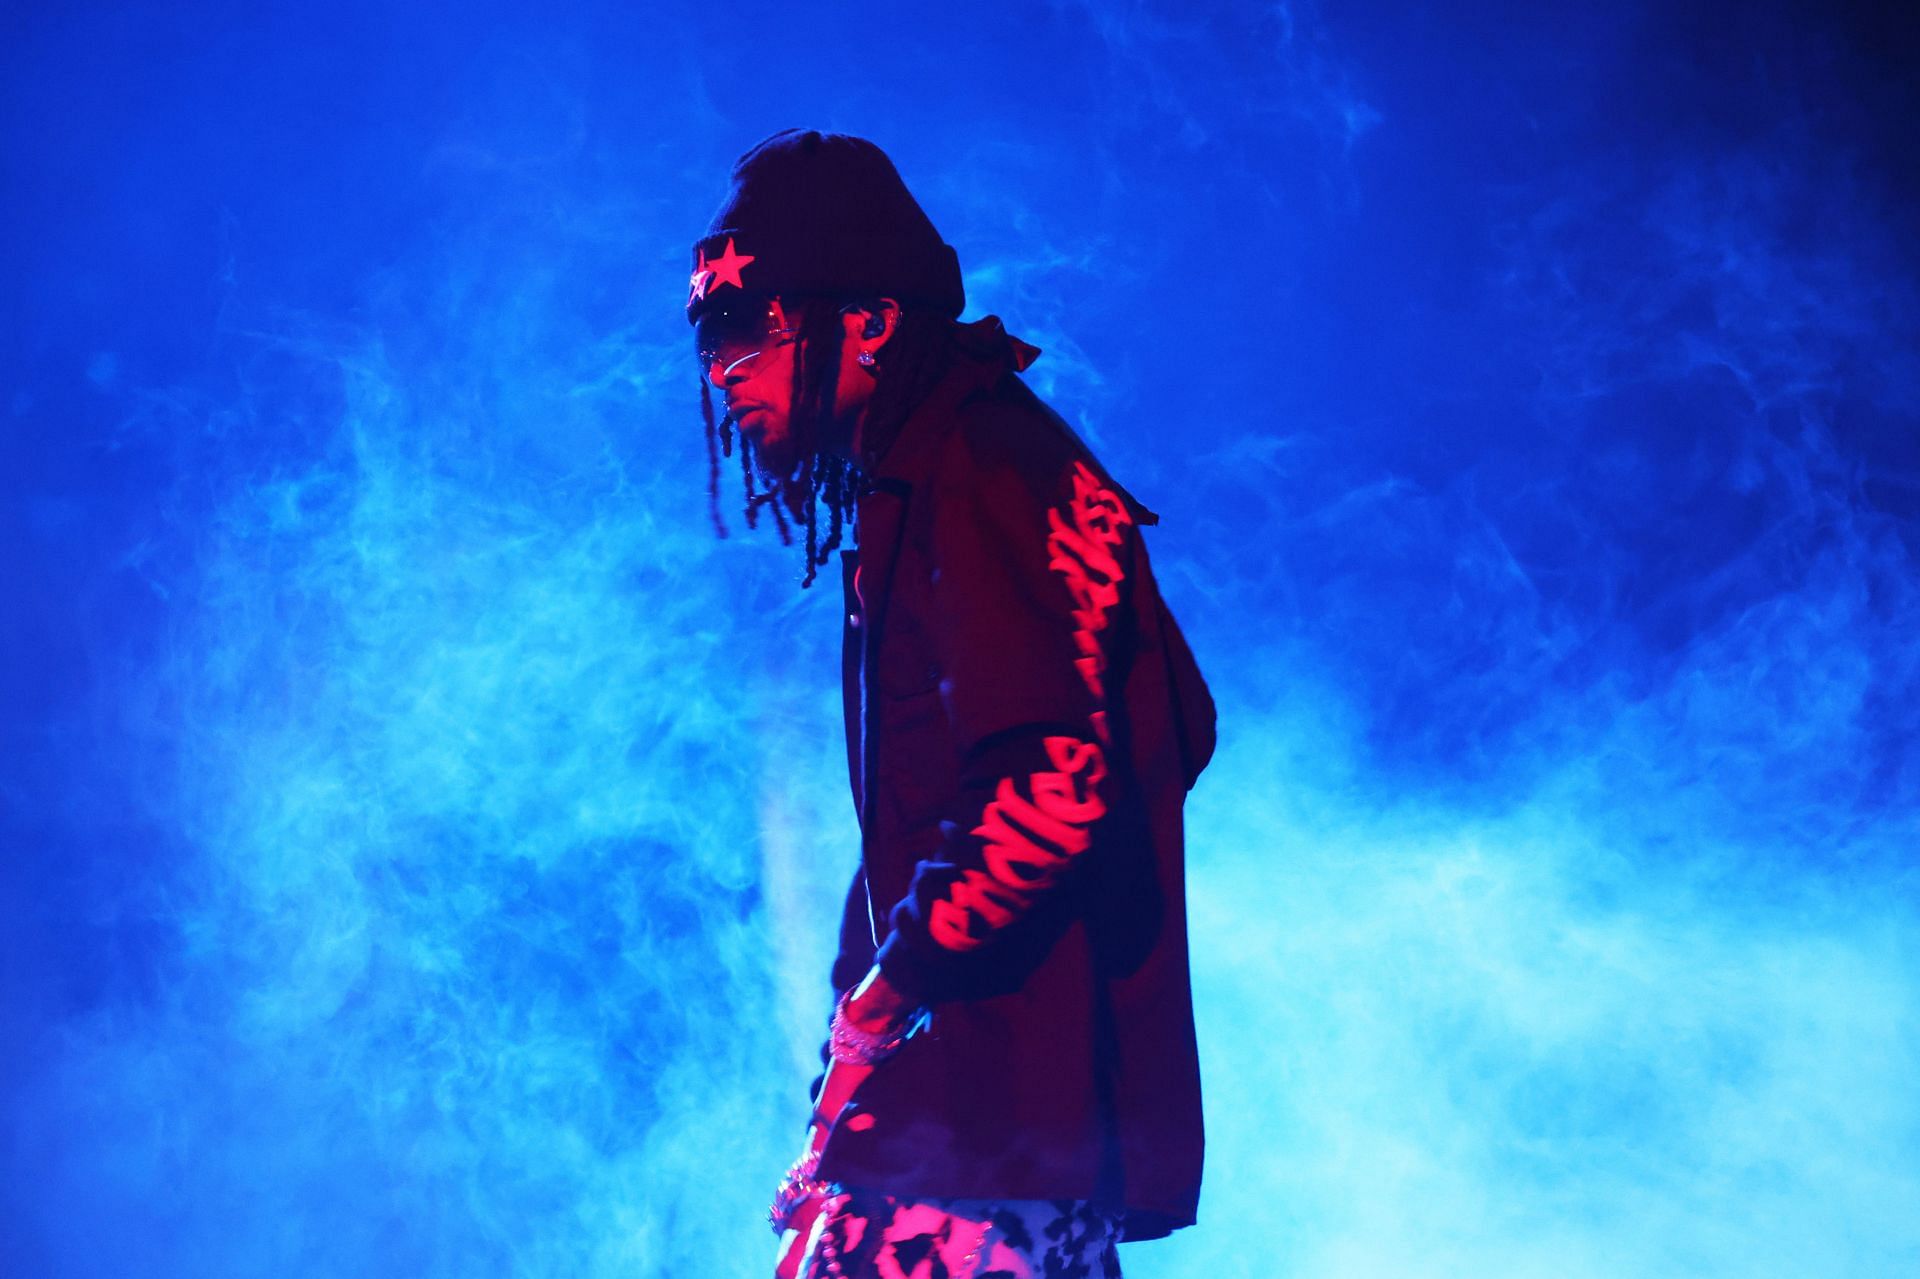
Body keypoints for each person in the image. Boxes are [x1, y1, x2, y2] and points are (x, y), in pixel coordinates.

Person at [686, 128, 1217, 1279]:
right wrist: (849, 1094)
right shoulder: (929, 480)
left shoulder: (988, 467)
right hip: (980, 1150)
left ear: (870, 321)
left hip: (985, 1164)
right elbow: (967, 815)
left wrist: (886, 1011)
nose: (723, 364)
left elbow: (1051, 788)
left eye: (751, 321)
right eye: (708, 330)